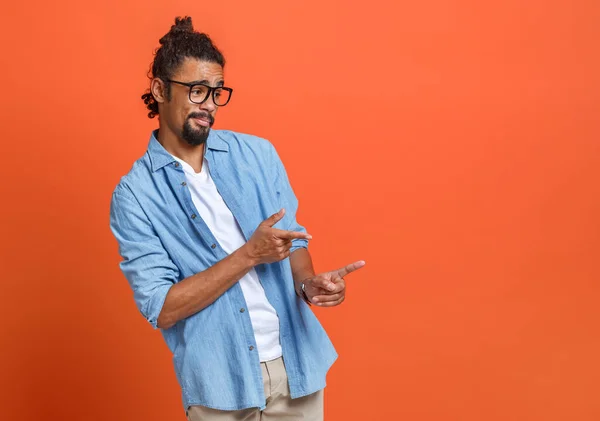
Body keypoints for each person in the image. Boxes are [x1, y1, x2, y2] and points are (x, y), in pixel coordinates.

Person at [109, 16, 365, 421]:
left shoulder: (258, 156)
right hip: (218, 383)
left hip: (295, 368)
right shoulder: (135, 196)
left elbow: (293, 241)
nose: (208, 105)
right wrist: (249, 255)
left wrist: (308, 285)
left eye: (216, 92)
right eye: (196, 91)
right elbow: (162, 307)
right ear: (160, 90)